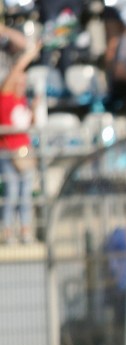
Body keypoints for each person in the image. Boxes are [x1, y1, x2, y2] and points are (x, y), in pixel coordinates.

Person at [0, 42, 40, 245]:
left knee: (25, 193)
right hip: (8, 152)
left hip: (24, 151)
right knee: (12, 191)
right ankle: (7, 231)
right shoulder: (5, 98)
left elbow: (27, 125)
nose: (22, 83)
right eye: (20, 81)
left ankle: (25, 231)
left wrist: (34, 108)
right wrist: (30, 54)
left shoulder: (22, 101)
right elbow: (16, 69)